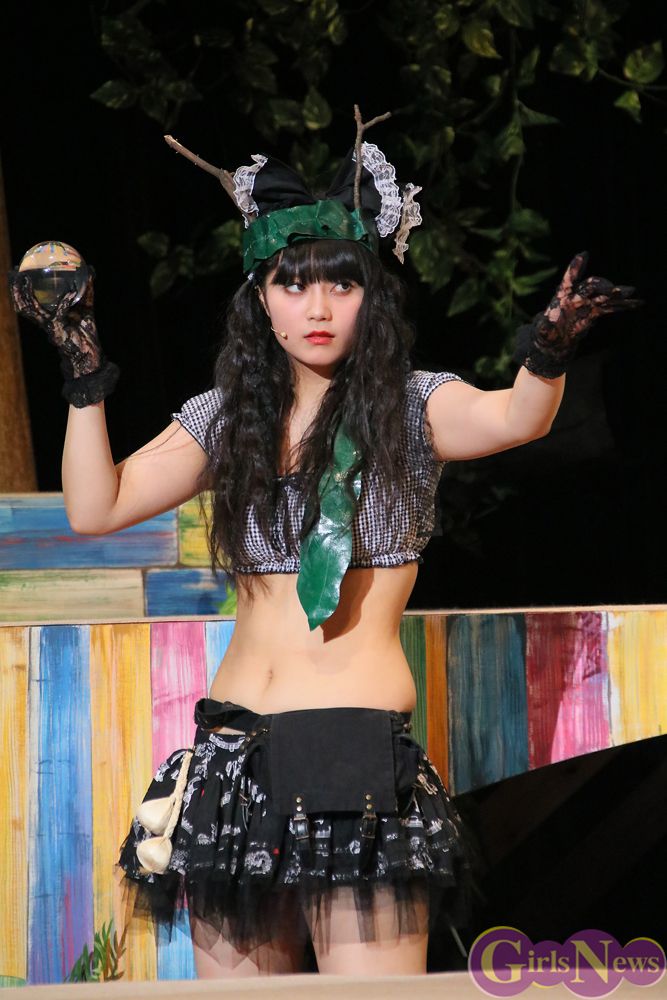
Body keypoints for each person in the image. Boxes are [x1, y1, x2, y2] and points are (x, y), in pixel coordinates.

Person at [9, 114, 640, 979]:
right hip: (235, 754)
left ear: (370, 296)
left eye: (340, 286)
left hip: (355, 750)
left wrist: (548, 349)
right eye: (292, 284)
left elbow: (513, 419)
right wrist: (83, 372)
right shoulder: (227, 419)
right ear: (259, 297)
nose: (316, 308)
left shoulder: (413, 407)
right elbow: (95, 507)